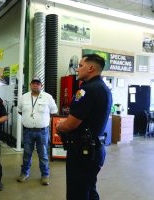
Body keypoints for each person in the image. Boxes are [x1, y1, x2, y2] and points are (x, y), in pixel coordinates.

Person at [56, 54, 112, 200]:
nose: (77, 69)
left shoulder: (87, 90)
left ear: (91, 68)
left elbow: (71, 124)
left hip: (82, 152)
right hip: (95, 150)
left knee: (77, 193)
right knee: (89, 189)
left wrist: (60, 126)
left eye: (80, 66)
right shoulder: (102, 87)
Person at [17, 77, 58, 185]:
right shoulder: (24, 97)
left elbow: (54, 111)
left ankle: (45, 175)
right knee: (27, 154)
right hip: (28, 131)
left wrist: (42, 120)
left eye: (37, 84)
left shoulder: (48, 97)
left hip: (42, 131)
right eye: (33, 83)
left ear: (41, 86)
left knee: (43, 154)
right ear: (30, 85)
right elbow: (20, 111)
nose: (35, 85)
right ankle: (24, 173)